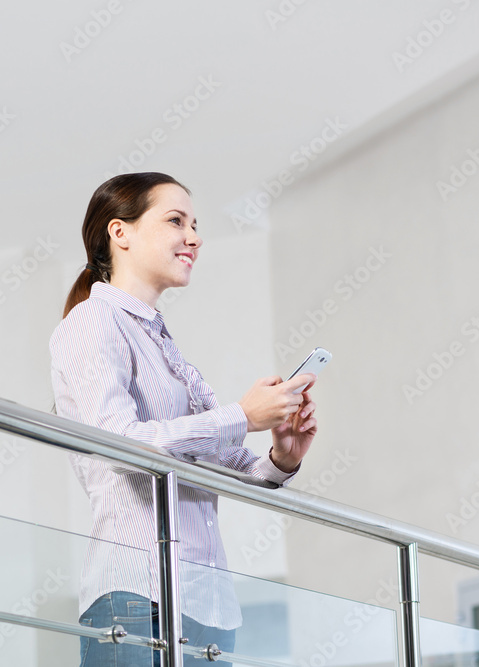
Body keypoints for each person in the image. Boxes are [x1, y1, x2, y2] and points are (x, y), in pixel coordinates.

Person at [49, 172, 318, 666]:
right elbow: (121, 446)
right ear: (120, 232)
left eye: (196, 224)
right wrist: (241, 415)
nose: (193, 237)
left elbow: (231, 465)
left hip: (206, 604)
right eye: (176, 220)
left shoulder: (167, 348)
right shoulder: (92, 322)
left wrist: (281, 454)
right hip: (134, 596)